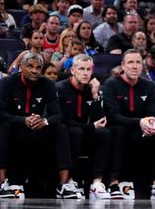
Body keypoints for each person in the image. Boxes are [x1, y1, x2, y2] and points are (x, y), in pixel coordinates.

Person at [0, 51, 75, 199]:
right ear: (21, 67)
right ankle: (1, 183)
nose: (34, 70)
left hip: (37, 129)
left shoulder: (48, 84)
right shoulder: (8, 82)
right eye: (30, 66)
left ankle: (64, 184)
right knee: (2, 127)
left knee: (61, 128)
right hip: (15, 128)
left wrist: (44, 122)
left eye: (38, 68)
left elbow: (58, 114)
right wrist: (23, 120)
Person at [102, 49, 155, 199]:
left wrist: (150, 124)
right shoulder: (111, 84)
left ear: (142, 66)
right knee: (118, 130)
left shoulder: (150, 86)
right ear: (123, 65)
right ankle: (113, 183)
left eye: (138, 62)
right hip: (119, 128)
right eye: (130, 62)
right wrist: (139, 122)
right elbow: (113, 117)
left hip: (142, 130)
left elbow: (153, 113)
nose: (134, 66)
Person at [56, 54, 111, 200]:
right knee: (74, 132)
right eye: (81, 69)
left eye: (88, 69)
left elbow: (100, 121)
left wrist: (95, 96)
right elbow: (62, 120)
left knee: (104, 133)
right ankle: (70, 181)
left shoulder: (91, 89)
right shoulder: (60, 88)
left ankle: (97, 183)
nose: (86, 73)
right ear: (73, 70)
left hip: (86, 131)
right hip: (65, 135)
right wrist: (91, 127)